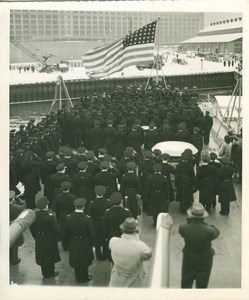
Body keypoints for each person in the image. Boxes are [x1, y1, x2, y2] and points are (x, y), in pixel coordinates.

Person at [179, 203, 220, 288]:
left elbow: (182, 231)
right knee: (202, 284)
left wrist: (189, 222)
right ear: (203, 217)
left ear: (191, 215)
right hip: (204, 259)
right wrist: (206, 224)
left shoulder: (183, 227)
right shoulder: (209, 231)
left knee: (186, 283)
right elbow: (216, 232)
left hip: (189, 258)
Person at [109, 217, 152, 287]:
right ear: (135, 231)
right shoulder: (140, 247)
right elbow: (148, 254)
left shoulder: (113, 241)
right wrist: (137, 240)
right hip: (133, 281)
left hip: (116, 279)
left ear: (122, 230)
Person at [64, 198, 95, 283]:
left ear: (75, 206)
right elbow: (91, 233)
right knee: (85, 259)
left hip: (73, 241)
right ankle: (84, 276)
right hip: (85, 241)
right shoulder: (87, 218)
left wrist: (67, 243)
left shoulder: (69, 218)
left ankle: (78, 277)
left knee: (76, 259)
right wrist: (92, 243)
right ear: (83, 207)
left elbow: (66, 232)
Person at [30, 197, 61, 278]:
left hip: (39, 238)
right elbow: (56, 229)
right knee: (50, 256)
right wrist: (59, 237)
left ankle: (44, 272)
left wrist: (36, 236)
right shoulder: (50, 217)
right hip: (49, 238)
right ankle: (51, 272)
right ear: (46, 206)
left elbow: (32, 229)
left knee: (42, 255)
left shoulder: (34, 215)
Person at [87, 185, 112, 260]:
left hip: (96, 222)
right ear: (104, 193)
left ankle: (98, 255)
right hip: (105, 222)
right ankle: (105, 255)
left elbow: (89, 213)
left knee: (97, 238)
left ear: (95, 193)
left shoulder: (92, 203)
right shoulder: (108, 202)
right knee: (105, 238)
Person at [9, 190, 26, 265]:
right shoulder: (16, 208)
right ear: (12, 199)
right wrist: (19, 199)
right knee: (15, 244)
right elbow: (24, 207)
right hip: (13, 226)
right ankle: (14, 259)